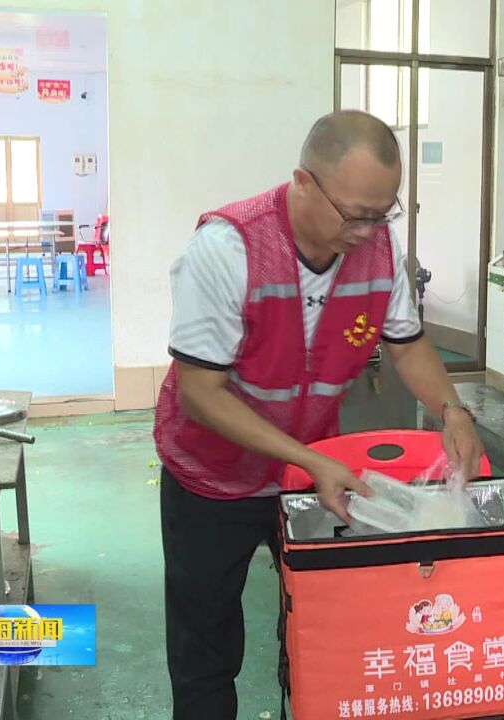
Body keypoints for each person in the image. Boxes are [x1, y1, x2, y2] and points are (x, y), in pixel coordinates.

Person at [153, 110, 484, 719]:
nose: (367, 231)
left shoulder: (379, 248)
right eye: (355, 213)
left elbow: (406, 343)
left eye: (382, 213)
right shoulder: (229, 247)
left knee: (323, 628)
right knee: (206, 646)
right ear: (303, 182)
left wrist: (451, 409)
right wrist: (309, 460)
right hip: (212, 476)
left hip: (309, 476)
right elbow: (202, 390)